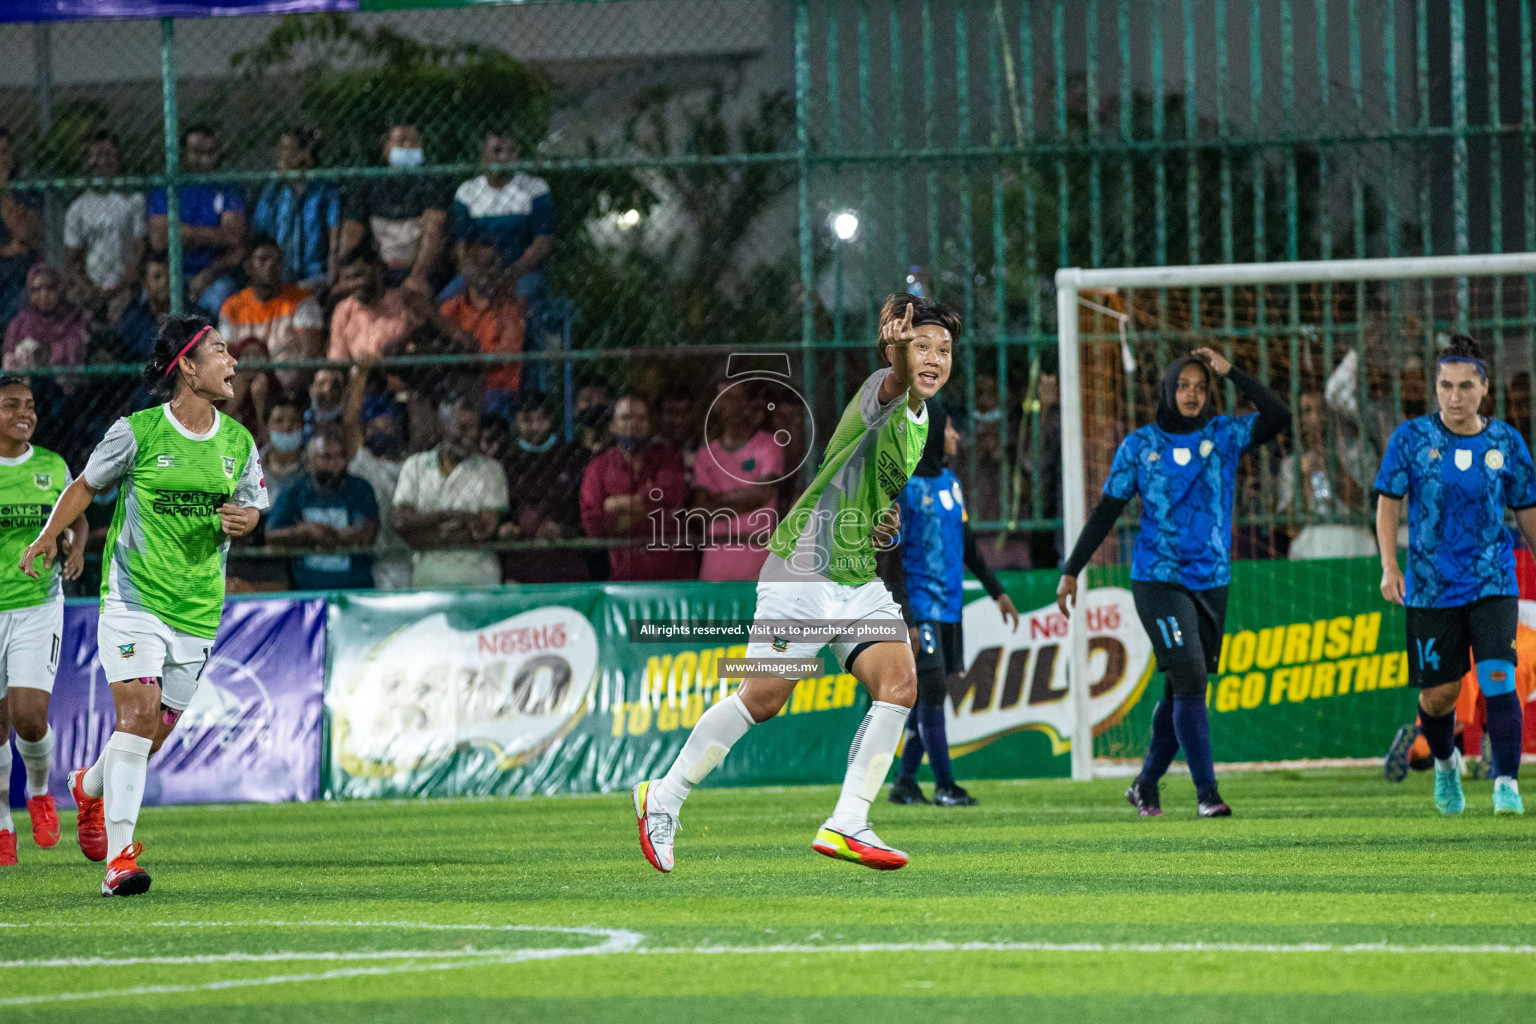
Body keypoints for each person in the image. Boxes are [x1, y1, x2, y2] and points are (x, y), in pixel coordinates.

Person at [633, 294, 956, 874]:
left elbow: (864, 482)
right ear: (892, 350)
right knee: (763, 700)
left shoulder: (921, 421)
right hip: (803, 568)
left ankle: (849, 822)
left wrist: (881, 516)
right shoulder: (883, 387)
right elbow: (898, 382)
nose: (932, 358)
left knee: (900, 684)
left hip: (855, 579)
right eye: (920, 345)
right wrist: (900, 358)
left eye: (943, 349)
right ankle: (665, 796)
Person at [21, 314, 267, 896]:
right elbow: (85, 486)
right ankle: (121, 861)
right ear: (187, 364)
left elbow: (254, 506)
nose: (233, 363)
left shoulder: (238, 442)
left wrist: (247, 519)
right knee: (134, 718)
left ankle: (88, 786)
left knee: (150, 736)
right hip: (134, 601)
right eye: (221, 352)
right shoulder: (138, 432)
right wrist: (46, 535)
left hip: (198, 609)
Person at [1057, 348, 1289, 819]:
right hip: (1157, 580)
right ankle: (1208, 793)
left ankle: (1145, 785)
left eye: (1202, 387)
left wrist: (1232, 372)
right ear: (1167, 389)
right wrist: (1071, 569)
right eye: (1183, 385)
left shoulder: (1224, 435)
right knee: (1190, 678)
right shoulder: (1139, 446)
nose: (1192, 394)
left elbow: (1278, 415)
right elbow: (1107, 511)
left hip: (1212, 581)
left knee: (1180, 689)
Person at [1375, 334, 1536, 816]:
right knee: (1440, 693)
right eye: (1446, 385)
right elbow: (1387, 504)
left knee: (1497, 678)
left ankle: (1506, 784)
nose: (1454, 396)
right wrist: (1388, 564)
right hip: (1429, 586)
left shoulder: (1506, 441)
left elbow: (1527, 509)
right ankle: (1445, 765)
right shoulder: (1411, 438)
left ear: (1484, 389)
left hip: (1492, 580)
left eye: (1465, 386)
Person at [887, 404, 1019, 808]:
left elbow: (969, 547)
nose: (956, 437)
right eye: (949, 429)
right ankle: (945, 784)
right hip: (920, 606)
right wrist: (906, 617)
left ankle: (905, 782)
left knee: (931, 695)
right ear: (929, 436)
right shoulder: (902, 489)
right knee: (933, 690)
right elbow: (890, 560)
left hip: (949, 607)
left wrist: (997, 592)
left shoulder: (951, 484)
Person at [0, 376, 86, 866]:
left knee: (28, 716)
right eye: (11, 405)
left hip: (36, 603)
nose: (24, 413)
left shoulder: (52, 466)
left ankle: (38, 790)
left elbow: (74, 516)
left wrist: (73, 541)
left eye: (29, 405)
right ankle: (2, 826)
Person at [579, 394, 696, 582]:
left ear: (650, 424)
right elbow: (592, 523)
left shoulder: (669, 459)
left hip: (674, 575)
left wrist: (615, 504)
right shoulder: (599, 468)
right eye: (626, 418)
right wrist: (649, 506)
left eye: (641, 418)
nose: (634, 424)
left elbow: (671, 498)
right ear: (612, 426)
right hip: (625, 576)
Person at [393, 398, 507, 587]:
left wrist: (423, 532)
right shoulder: (415, 466)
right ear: (442, 427)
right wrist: (452, 515)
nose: (471, 435)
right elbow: (401, 522)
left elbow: (483, 530)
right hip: (427, 582)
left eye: (474, 428)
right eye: (462, 427)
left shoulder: (490, 469)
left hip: (479, 581)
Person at [338, 123, 449, 300]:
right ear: (386, 148)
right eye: (401, 141)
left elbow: (433, 229)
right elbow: (351, 230)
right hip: (380, 270)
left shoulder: (432, 182)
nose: (407, 147)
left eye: (413, 142)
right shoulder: (369, 183)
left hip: (420, 269)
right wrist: (344, 268)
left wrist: (417, 276)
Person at [689, 376, 782, 582]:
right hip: (714, 570)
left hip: (758, 567)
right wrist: (744, 495)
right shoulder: (705, 454)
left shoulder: (768, 446)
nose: (723, 404)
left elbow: (761, 494)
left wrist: (717, 500)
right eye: (719, 397)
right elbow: (701, 509)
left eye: (731, 397)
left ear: (747, 405)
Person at [444, 131, 554, 304]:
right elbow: (462, 245)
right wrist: (473, 273)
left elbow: (542, 243)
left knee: (519, 302)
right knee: (446, 301)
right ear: (483, 153)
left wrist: (508, 274)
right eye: (497, 151)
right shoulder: (468, 192)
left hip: (522, 272)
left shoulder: (535, 188)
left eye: (510, 152)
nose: (504, 157)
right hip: (480, 271)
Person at [147, 125, 246, 317]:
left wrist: (179, 232)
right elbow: (158, 240)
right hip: (171, 272)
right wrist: (214, 234)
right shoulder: (168, 187)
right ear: (184, 154)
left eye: (211, 152)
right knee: (150, 298)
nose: (206, 159)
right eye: (198, 152)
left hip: (213, 273)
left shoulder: (227, 187)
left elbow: (234, 238)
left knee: (220, 297)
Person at [266, 428, 379, 591]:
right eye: (326, 457)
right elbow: (271, 536)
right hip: (305, 593)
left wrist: (320, 532)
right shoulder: (294, 490)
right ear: (310, 462)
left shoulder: (360, 488)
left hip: (355, 592)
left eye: (341, 456)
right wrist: (304, 532)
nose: (336, 463)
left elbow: (366, 534)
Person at [1276, 389, 1377, 560]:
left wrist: (1329, 461)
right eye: (1307, 411)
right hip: (1310, 545)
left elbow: (1363, 506)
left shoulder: (1358, 451)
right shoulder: (1290, 465)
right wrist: (1306, 476)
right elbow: (1290, 526)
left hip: (1353, 539)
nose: (1316, 417)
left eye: (1321, 410)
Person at [218, 235, 324, 396]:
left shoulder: (302, 301)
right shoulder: (232, 307)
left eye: (276, 260)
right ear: (248, 267)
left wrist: (281, 393)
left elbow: (310, 355)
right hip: (243, 393)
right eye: (263, 260)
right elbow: (226, 360)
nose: (271, 265)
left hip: (288, 392)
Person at [499, 391, 587, 583]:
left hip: (567, 561)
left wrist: (564, 530)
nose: (536, 426)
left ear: (551, 419)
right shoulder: (506, 460)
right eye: (527, 420)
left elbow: (586, 512)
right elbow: (500, 516)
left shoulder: (573, 455)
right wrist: (506, 528)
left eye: (542, 418)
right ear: (515, 422)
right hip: (522, 563)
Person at [341, 360, 412, 589]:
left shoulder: (413, 465)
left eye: (388, 427)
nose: (382, 432)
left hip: (409, 558)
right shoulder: (364, 461)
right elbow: (350, 423)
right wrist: (359, 376)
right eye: (375, 428)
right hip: (374, 559)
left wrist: (404, 388)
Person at [438, 234, 526, 416]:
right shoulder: (451, 308)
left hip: (496, 388)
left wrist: (468, 353)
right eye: (478, 263)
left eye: (491, 263)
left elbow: (506, 356)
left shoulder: (510, 308)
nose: (484, 270)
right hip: (458, 386)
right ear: (466, 268)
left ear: (499, 268)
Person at [63, 130, 145, 320]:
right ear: (87, 161)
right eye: (96, 155)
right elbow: (72, 261)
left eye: (108, 154)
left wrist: (118, 287)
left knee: (122, 315)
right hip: (90, 285)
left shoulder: (133, 199)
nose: (102, 161)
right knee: (73, 311)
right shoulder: (78, 207)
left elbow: (139, 250)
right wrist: (88, 288)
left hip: (123, 284)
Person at [250, 128, 340, 290]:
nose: (279, 155)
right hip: (278, 272)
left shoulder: (324, 190)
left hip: (314, 273)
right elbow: (259, 229)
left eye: (286, 149)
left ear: (304, 154)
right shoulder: (274, 190)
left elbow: (334, 234)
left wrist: (330, 278)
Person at [329, 243, 411, 365]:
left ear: (378, 270)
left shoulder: (403, 303)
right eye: (349, 279)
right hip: (357, 378)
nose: (354, 284)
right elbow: (337, 359)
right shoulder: (343, 310)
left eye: (359, 275)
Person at [4, 263, 89, 372]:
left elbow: (75, 353)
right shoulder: (19, 324)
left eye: (50, 288)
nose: (44, 295)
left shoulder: (73, 318)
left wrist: (46, 353)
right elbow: (9, 357)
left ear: (59, 290)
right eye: (37, 289)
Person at [0, 128, 42, 327]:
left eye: (7, 151)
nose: (4, 158)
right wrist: (7, 248)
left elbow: (25, 234)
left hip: (19, 272)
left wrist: (4, 191)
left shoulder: (24, 191)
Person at [115, 253, 172, 363]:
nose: (164, 282)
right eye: (157, 277)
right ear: (145, 283)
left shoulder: (190, 314)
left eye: (169, 276)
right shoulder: (133, 320)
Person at [260, 397, 307, 508]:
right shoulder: (249, 466)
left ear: (302, 426)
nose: (287, 427)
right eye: (279, 421)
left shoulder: (313, 468)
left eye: (294, 421)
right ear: (267, 427)